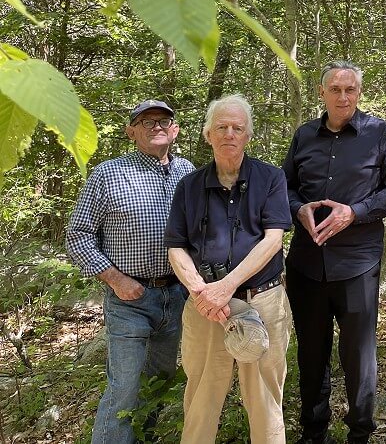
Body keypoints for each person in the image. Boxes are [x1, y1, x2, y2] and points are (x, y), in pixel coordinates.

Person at [281, 61, 386, 444]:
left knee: (358, 354)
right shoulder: (303, 136)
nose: (343, 96)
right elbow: (282, 189)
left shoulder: (378, 133)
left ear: (359, 92)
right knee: (311, 352)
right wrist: (297, 208)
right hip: (307, 262)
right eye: (335, 89)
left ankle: (360, 431)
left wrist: (355, 212)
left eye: (350, 89)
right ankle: (314, 431)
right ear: (322, 93)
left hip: (358, 262)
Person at [66, 99, 195, 444]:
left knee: (160, 381)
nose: (157, 126)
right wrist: (115, 279)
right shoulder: (108, 174)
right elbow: (78, 235)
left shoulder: (188, 173)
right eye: (147, 121)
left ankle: (143, 439)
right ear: (131, 131)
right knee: (124, 386)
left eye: (164, 121)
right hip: (129, 299)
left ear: (175, 130)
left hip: (177, 297)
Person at [165, 94, 292, 443]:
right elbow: (176, 246)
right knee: (201, 401)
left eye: (237, 128)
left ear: (248, 135)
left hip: (262, 303)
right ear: (208, 134)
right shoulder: (189, 186)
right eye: (221, 127)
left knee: (266, 401)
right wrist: (202, 291)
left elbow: (273, 240)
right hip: (205, 308)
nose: (229, 134)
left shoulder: (271, 178)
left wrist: (227, 286)